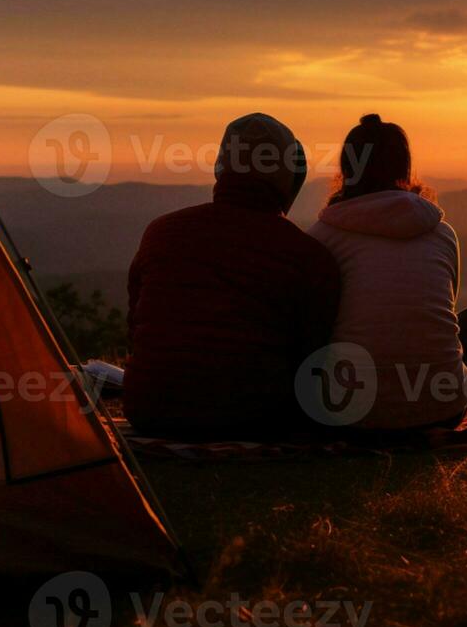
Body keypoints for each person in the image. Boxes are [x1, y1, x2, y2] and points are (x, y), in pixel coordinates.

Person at [123, 113, 341, 438]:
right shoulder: (309, 257)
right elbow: (314, 358)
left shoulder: (160, 233)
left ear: (221, 168)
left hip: (150, 410)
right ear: (289, 177)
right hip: (258, 418)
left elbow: (135, 324)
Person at [308, 114, 467, 430]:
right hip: (441, 411)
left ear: (346, 169)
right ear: (404, 167)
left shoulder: (324, 236)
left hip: (349, 417)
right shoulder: (441, 232)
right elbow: (441, 314)